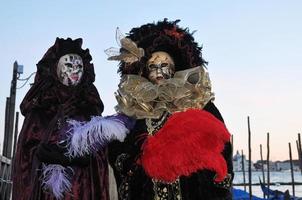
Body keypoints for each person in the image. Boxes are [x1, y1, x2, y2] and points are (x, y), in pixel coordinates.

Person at [107, 19, 234, 200]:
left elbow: (221, 151)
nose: (158, 71)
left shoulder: (198, 104)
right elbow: (119, 154)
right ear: (144, 71)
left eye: (164, 65)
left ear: (175, 68)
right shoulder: (135, 110)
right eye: (153, 66)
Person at [12, 38, 111, 200]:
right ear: (55, 69)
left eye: (79, 67)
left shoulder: (89, 107)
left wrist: (86, 155)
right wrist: (41, 152)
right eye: (69, 65)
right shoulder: (41, 107)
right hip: (46, 191)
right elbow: (26, 153)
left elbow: (100, 156)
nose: (75, 71)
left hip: (82, 188)